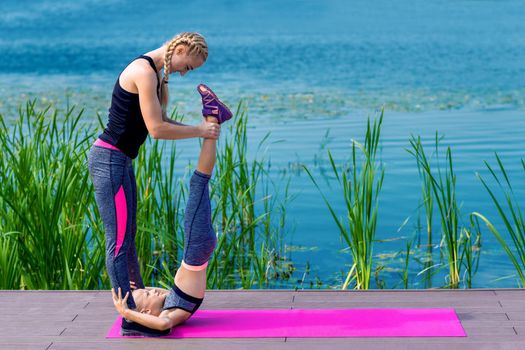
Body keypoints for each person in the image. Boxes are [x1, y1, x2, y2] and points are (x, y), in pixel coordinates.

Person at [87, 31, 232, 336]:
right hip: (108, 161)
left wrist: (202, 131)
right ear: (179, 49)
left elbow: (162, 121)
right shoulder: (142, 72)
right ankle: (128, 313)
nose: (183, 72)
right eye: (187, 66)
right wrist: (200, 130)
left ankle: (137, 303)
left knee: (129, 234)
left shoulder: (153, 74)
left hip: (120, 161)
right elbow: (156, 129)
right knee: (118, 240)